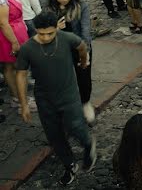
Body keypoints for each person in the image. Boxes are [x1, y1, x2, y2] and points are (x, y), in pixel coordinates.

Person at [15, 11, 95, 186]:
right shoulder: (27, 48)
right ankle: (69, 164)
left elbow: (82, 46)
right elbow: (21, 75)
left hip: (69, 95)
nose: (45, 37)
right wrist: (23, 104)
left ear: (56, 28)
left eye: (50, 33)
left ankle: (88, 145)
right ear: (36, 30)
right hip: (45, 99)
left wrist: (83, 62)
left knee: (75, 126)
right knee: (54, 135)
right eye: (41, 33)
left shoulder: (66, 38)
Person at [0, 0, 31, 113]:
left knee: (11, 66)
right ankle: (19, 98)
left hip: (13, 31)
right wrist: (14, 42)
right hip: (9, 36)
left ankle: (17, 96)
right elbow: (3, 23)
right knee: (14, 67)